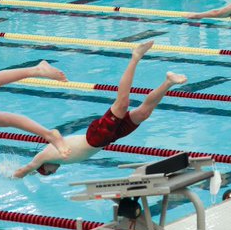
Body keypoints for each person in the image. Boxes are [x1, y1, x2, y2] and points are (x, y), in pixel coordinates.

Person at [13, 43, 185, 177]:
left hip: (96, 137)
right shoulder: (54, 159)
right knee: (143, 113)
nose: (54, 172)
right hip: (106, 139)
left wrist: (13, 176)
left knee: (122, 103)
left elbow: (26, 169)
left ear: (44, 167)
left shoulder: (45, 156)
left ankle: (135, 57)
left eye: (49, 172)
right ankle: (169, 82)